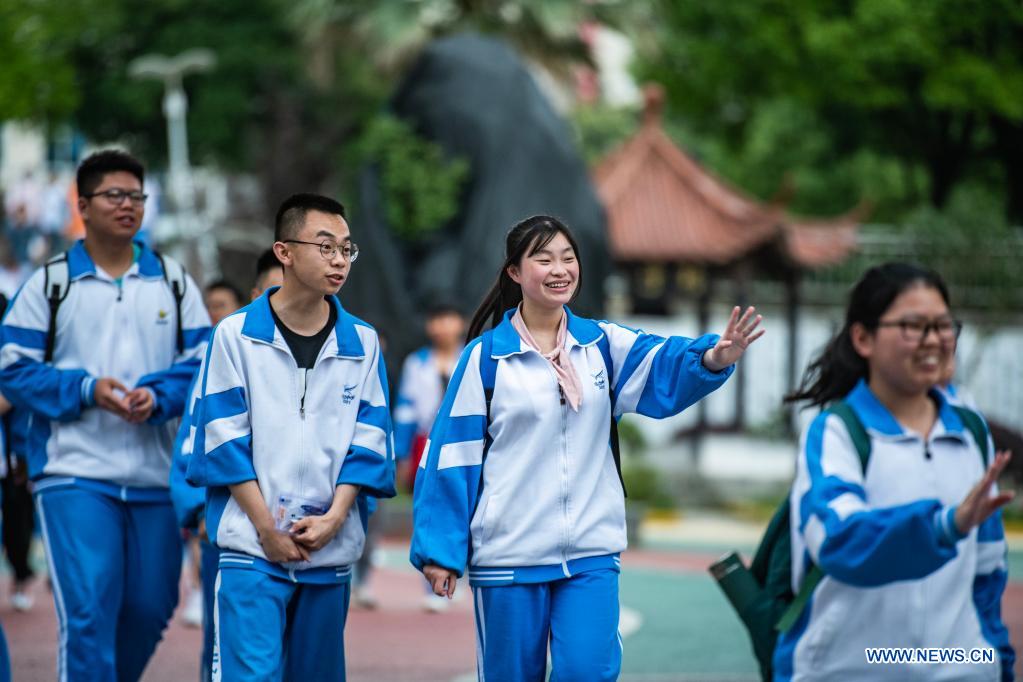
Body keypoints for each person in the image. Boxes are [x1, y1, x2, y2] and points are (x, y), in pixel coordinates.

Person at [410, 215, 762, 681]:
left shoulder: (602, 345)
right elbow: (451, 456)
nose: (560, 269)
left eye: (568, 257)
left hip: (591, 552)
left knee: (588, 672)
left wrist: (713, 358)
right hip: (509, 556)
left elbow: (662, 363)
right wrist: (440, 550)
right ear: (514, 272)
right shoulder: (483, 359)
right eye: (544, 259)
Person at [0, 150, 212, 681]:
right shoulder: (49, 284)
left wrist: (158, 395)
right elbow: (11, 369)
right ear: (83, 206)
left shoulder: (174, 281)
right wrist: (88, 389)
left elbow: (206, 364)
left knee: (152, 606)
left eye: (137, 196)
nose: (128, 206)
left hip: (154, 477)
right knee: (90, 611)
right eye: (114, 195)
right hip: (73, 473)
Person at [187, 193, 395, 681]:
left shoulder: (362, 342)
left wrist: (335, 518)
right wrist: (266, 529)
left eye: (346, 249)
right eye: (325, 247)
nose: (339, 259)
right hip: (250, 550)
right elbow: (222, 441)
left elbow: (369, 443)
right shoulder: (235, 336)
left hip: (329, 550)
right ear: (284, 252)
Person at [777, 262, 1015, 681]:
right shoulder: (838, 432)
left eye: (943, 326)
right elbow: (840, 540)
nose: (934, 340)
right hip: (848, 668)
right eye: (912, 325)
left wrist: (994, 661)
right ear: (863, 337)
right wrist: (943, 526)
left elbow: (988, 571)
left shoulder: (970, 432)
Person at [170, 248, 283, 680]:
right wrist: (200, 513)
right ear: (256, 295)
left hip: (314, 543)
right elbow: (197, 440)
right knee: (227, 650)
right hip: (235, 535)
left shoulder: (344, 350)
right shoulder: (227, 353)